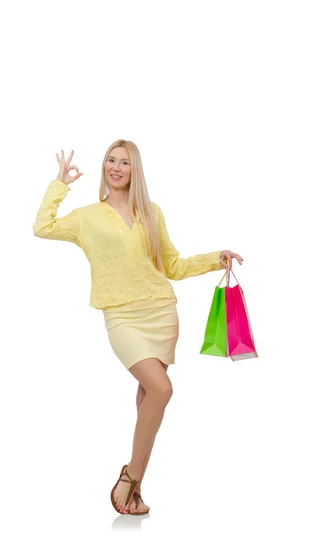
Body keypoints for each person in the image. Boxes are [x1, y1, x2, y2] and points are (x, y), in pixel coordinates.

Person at [33, 140, 243, 515]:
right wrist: (60, 183)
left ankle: (135, 488)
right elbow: (42, 227)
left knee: (150, 395)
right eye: (110, 161)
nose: (115, 167)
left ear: (135, 170)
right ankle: (131, 474)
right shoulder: (88, 217)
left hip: (161, 311)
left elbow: (173, 266)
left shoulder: (151, 213)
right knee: (161, 389)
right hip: (121, 316)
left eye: (124, 162)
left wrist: (216, 258)